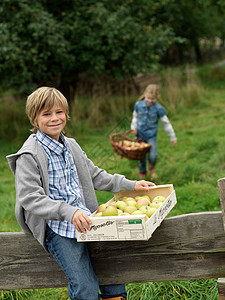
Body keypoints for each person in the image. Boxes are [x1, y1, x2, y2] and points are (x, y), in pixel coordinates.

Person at [7, 87, 155, 300]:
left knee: (113, 272)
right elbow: (30, 198)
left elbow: (96, 176)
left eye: (59, 112)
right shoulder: (29, 155)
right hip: (56, 226)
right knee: (84, 286)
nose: (55, 118)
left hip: (86, 218)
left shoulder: (72, 146)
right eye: (46, 114)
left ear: (66, 113)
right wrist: (68, 212)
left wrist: (131, 185)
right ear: (34, 119)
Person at [131, 84, 177, 180]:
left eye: (152, 99)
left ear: (156, 98)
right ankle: (142, 175)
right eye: (148, 98)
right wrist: (133, 128)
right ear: (145, 95)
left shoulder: (159, 108)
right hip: (139, 136)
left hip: (151, 136)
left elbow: (166, 123)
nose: (150, 101)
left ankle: (151, 169)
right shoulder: (138, 105)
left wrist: (172, 137)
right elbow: (135, 117)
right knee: (140, 157)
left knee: (153, 156)